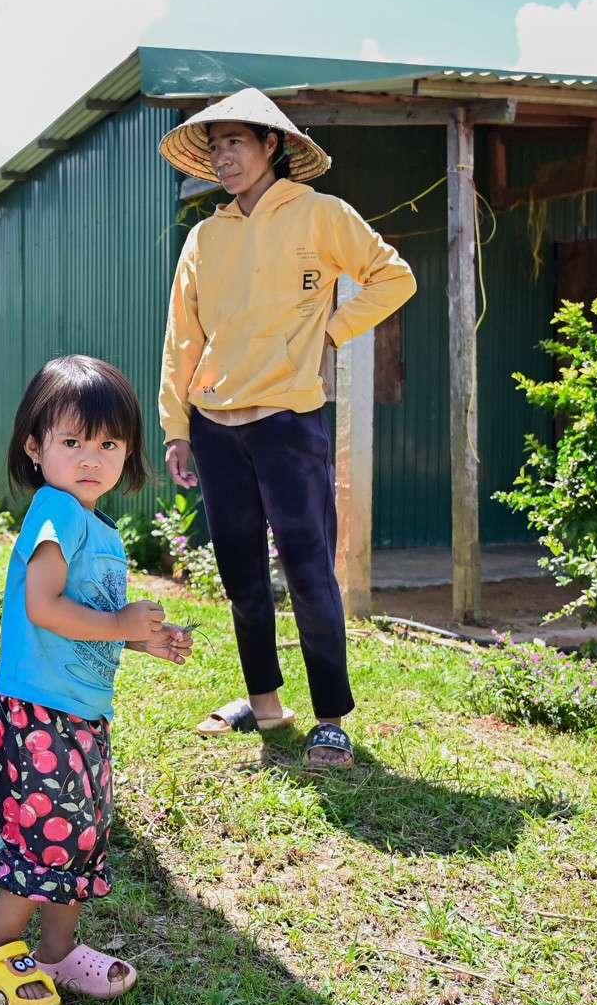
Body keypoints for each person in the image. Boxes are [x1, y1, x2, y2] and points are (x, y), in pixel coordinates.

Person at [156, 89, 415, 766]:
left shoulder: (320, 215)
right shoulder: (205, 237)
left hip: (289, 421)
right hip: (215, 426)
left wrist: (331, 330)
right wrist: (176, 425)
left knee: (307, 570)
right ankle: (266, 704)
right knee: (241, 573)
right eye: (214, 146)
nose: (223, 156)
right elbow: (182, 337)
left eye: (235, 141)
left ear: (273, 145)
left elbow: (393, 276)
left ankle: (331, 717)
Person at [0, 355, 193, 1005]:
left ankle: (56, 953)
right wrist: (119, 619)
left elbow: (86, 625)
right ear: (36, 446)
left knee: (82, 835)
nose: (92, 457)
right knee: (50, 837)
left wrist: (143, 638)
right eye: (72, 441)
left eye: (108, 443)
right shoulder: (54, 511)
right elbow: (44, 606)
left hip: (80, 712)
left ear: (129, 452)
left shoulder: (100, 528)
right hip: (41, 712)